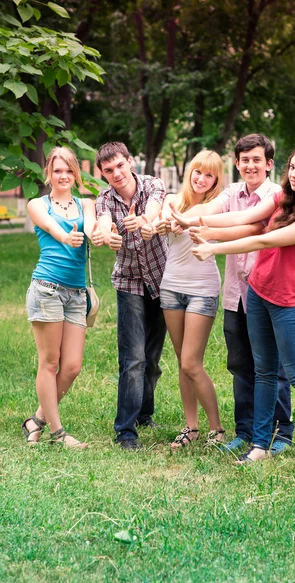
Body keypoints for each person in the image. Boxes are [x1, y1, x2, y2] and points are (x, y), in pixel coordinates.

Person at [188, 143, 295, 466]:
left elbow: (264, 240)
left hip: (288, 303)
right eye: (292, 167)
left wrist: (213, 248)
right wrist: (201, 224)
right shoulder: (282, 198)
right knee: (263, 371)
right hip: (259, 293)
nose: (294, 174)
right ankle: (260, 445)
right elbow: (246, 216)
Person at [167, 134, 293, 455]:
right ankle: (247, 430)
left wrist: (207, 231)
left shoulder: (276, 195)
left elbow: (251, 226)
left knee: (271, 366)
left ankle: (281, 432)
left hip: (267, 294)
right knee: (239, 364)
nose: (250, 165)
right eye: (244, 160)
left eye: (256, 160)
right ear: (236, 164)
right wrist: (186, 217)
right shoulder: (232, 192)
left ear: (268, 164)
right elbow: (212, 207)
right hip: (235, 294)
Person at [23, 147, 108, 448]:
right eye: (58, 170)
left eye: (69, 170)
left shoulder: (86, 202)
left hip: (77, 292)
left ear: (75, 174)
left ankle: (36, 420)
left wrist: (99, 233)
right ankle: (58, 433)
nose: (63, 176)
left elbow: (94, 225)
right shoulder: (37, 204)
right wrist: (66, 236)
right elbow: (49, 226)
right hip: (47, 288)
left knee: (71, 366)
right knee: (50, 362)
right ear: (49, 172)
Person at [142, 150, 227, 448]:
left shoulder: (218, 205)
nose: (202, 178)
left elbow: (188, 220)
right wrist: (162, 224)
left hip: (202, 288)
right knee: (182, 362)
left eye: (209, 175)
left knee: (192, 362)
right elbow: (165, 220)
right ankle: (191, 428)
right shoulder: (172, 200)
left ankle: (217, 429)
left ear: (216, 180)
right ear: (190, 171)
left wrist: (180, 222)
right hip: (171, 286)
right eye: (198, 172)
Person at [95, 142, 167, 451]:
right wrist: (106, 234)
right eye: (108, 171)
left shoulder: (152, 184)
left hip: (163, 280)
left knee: (152, 359)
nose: (116, 174)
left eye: (119, 166)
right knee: (133, 359)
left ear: (130, 163)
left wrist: (145, 222)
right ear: (103, 174)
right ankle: (125, 430)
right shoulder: (105, 199)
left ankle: (144, 414)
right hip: (129, 283)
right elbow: (103, 223)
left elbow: (153, 209)